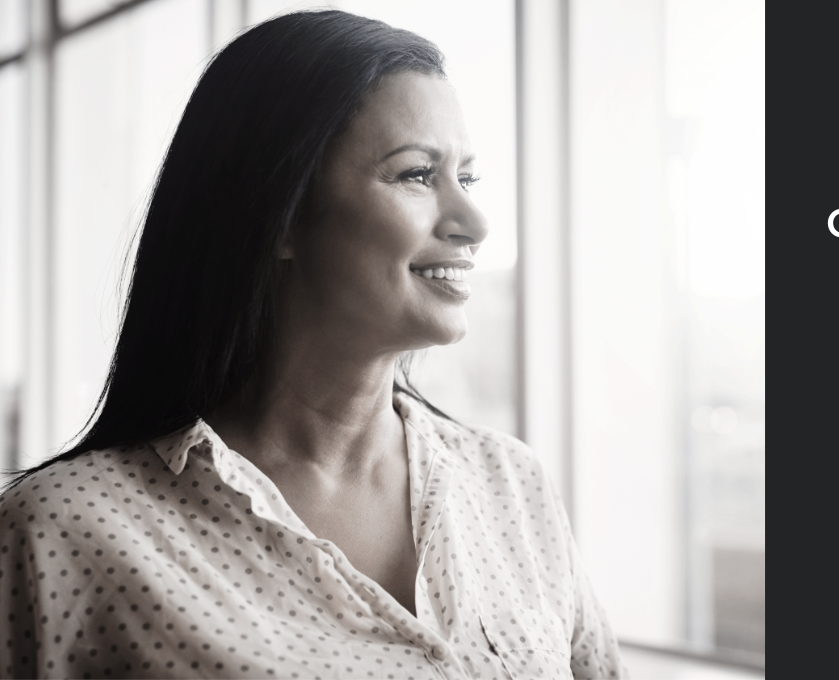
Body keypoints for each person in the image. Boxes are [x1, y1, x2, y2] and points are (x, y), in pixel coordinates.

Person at [0, 10, 624, 679]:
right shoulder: (63, 532)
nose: (473, 221)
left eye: (466, 178)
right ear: (281, 215)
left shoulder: (511, 485)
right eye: (417, 174)